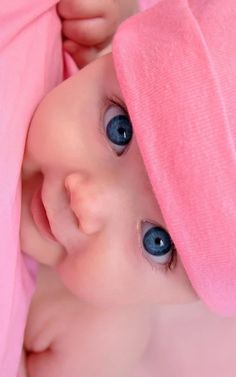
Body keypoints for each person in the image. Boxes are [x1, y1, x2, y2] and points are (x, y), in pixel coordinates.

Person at [20, 0, 236, 375]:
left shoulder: (93, 342)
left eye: (157, 241)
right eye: (118, 129)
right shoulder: (58, 48)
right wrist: (119, 13)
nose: (85, 206)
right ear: (107, 56)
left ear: (183, 300)